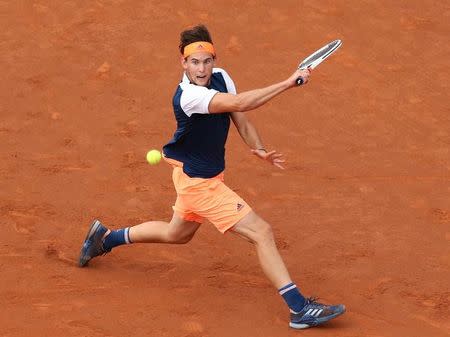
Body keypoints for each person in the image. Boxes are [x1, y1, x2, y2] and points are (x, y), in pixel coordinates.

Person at [78, 24, 345, 329]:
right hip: (200, 186)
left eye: (207, 61)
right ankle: (299, 308)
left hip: (195, 177)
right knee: (261, 232)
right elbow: (241, 102)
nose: (202, 69)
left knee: (176, 234)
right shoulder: (188, 96)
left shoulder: (222, 77)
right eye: (194, 62)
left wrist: (258, 148)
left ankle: (105, 238)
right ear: (183, 63)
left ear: (214, 60)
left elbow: (239, 117)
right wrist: (287, 83)